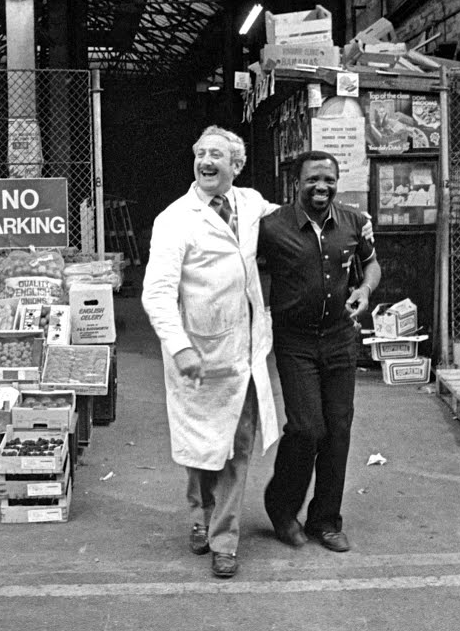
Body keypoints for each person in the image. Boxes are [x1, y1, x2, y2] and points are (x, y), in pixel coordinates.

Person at [141, 125, 281, 579]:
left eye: (216, 155)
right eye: (200, 153)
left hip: (244, 350)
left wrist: (353, 219)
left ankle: (225, 540)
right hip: (197, 353)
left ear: (235, 166)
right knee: (202, 451)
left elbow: (295, 219)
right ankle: (199, 516)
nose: (206, 161)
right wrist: (180, 348)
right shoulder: (174, 219)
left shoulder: (251, 203)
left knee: (237, 447)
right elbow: (156, 294)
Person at [257, 150, 382, 553]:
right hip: (295, 342)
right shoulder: (272, 228)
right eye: (313, 179)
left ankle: (325, 520)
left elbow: (372, 265)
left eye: (328, 179)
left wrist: (363, 290)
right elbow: (249, 273)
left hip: (340, 338)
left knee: (338, 429)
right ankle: (281, 508)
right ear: (298, 182)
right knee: (308, 427)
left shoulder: (354, 223)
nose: (321, 187)